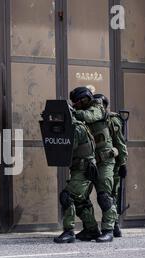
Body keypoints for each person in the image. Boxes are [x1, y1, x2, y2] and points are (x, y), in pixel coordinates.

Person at [70, 87, 118, 243]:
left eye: (77, 102)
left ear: (84, 99)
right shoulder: (79, 115)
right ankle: (91, 229)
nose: (75, 105)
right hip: (88, 161)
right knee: (78, 197)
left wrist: (72, 112)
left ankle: (108, 230)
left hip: (104, 161)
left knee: (104, 196)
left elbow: (90, 116)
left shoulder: (97, 107)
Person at [54, 113, 100, 244]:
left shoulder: (76, 128)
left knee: (67, 196)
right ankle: (92, 230)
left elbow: (68, 147)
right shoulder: (77, 126)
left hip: (82, 171)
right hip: (82, 170)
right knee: (80, 203)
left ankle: (69, 231)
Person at [93, 94, 128, 238]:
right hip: (94, 162)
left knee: (110, 195)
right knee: (109, 195)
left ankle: (113, 227)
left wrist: (123, 163)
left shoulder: (112, 120)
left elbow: (120, 143)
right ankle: (114, 226)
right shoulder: (92, 119)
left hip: (111, 162)